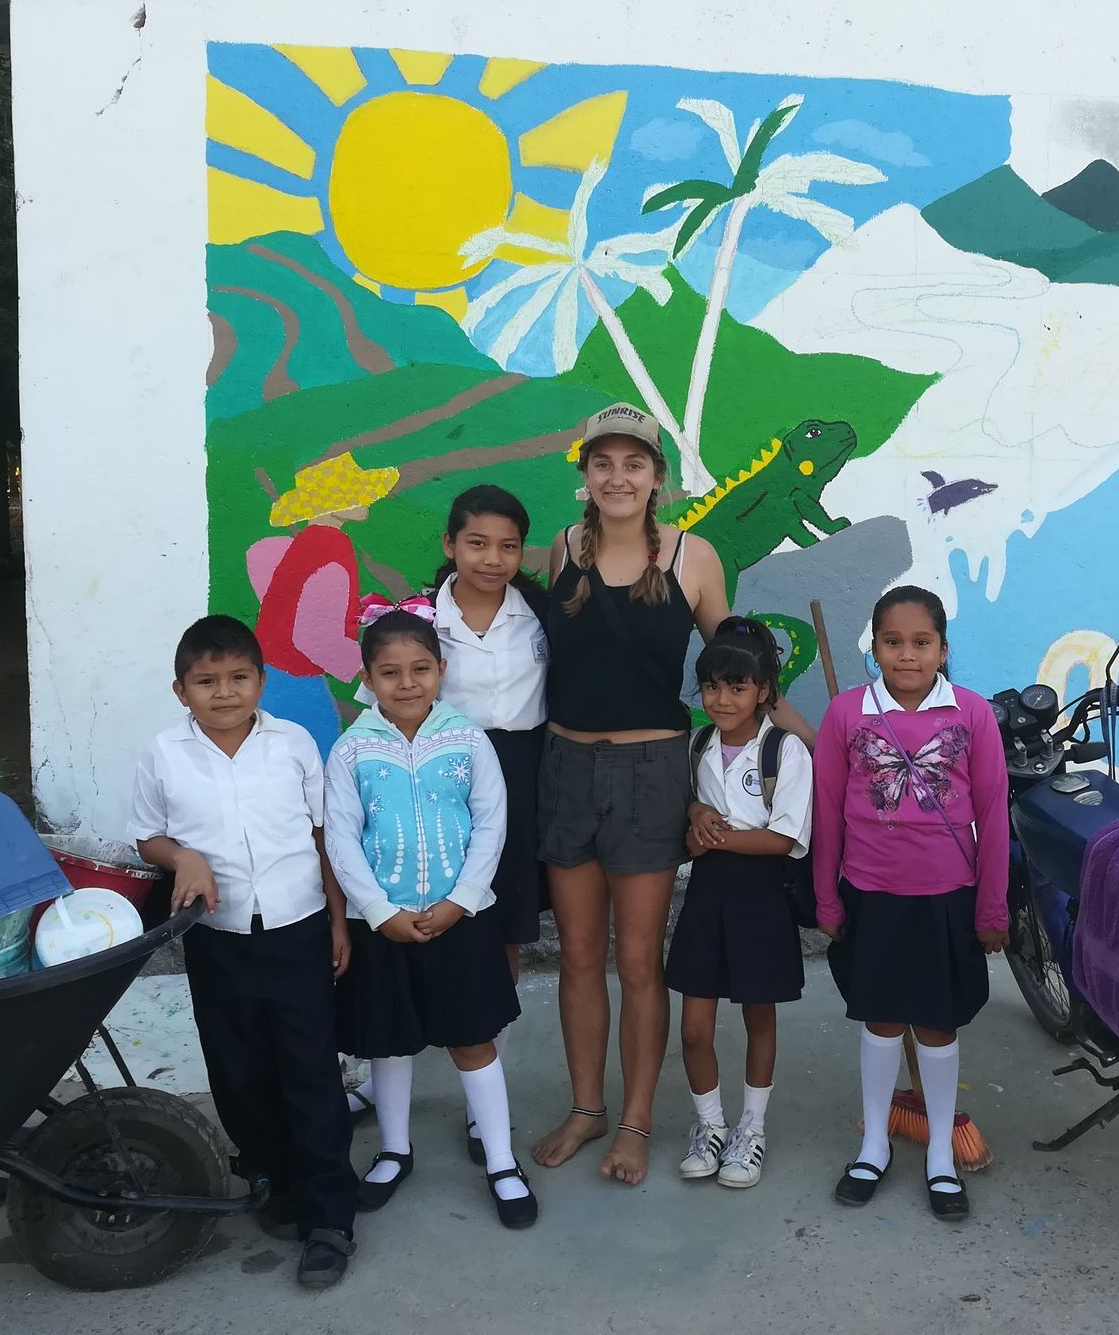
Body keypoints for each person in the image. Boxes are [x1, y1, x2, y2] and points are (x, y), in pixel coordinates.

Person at [533, 402, 813, 1187]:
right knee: (580, 957)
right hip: (565, 767)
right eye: (603, 462)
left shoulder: (695, 557)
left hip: (651, 771)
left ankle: (636, 1121)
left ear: (659, 477)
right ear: (585, 473)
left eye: (634, 463)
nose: (617, 477)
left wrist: (816, 746)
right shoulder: (562, 551)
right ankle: (589, 1109)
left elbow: (743, 665)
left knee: (636, 960)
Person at [129, 615, 358, 1288]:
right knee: (239, 1068)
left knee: (311, 1070)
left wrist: (339, 925)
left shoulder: (292, 745)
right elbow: (146, 837)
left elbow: (323, 839)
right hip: (218, 940)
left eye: (238, 678)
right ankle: (272, 1175)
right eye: (207, 681)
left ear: (261, 681)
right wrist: (185, 856)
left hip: (299, 928)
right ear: (181, 691)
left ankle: (328, 1216)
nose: (224, 692)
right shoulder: (164, 755)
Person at [343, 486, 549, 1166]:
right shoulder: (418, 622)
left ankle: (477, 1096)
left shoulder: (540, 613)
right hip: (419, 778)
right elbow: (370, 713)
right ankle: (383, 1081)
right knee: (395, 951)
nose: (493, 558)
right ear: (449, 546)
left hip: (510, 775)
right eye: (476, 543)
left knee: (501, 934)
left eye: (508, 545)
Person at [325, 599, 537, 1230]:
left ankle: (500, 1161)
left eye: (421, 668)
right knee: (388, 1045)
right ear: (366, 679)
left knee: (473, 1038)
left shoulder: (467, 739)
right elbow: (340, 837)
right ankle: (394, 1151)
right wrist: (376, 910)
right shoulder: (352, 750)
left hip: (461, 920)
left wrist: (460, 901)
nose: (407, 683)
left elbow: (491, 822)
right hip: (382, 925)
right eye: (390, 672)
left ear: (441, 670)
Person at [811, 586, 1009, 1223]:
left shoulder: (972, 715)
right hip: (870, 896)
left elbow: (992, 815)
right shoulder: (846, 715)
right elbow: (829, 813)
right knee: (881, 1022)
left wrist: (992, 908)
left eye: (921, 643)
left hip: (948, 898)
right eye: (892, 642)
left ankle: (941, 1159)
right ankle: (872, 1146)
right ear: (875, 647)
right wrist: (827, 899)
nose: (906, 655)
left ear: (943, 650)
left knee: (936, 1026)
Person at [666, 617, 813, 1191]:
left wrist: (714, 834)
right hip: (705, 898)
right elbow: (689, 817)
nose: (722, 699)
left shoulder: (785, 751)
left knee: (759, 1016)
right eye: (711, 687)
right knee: (695, 1028)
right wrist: (696, 816)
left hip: (759, 899)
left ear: (764, 692)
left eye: (737, 687)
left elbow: (782, 838)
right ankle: (710, 1127)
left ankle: (750, 1131)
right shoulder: (698, 745)